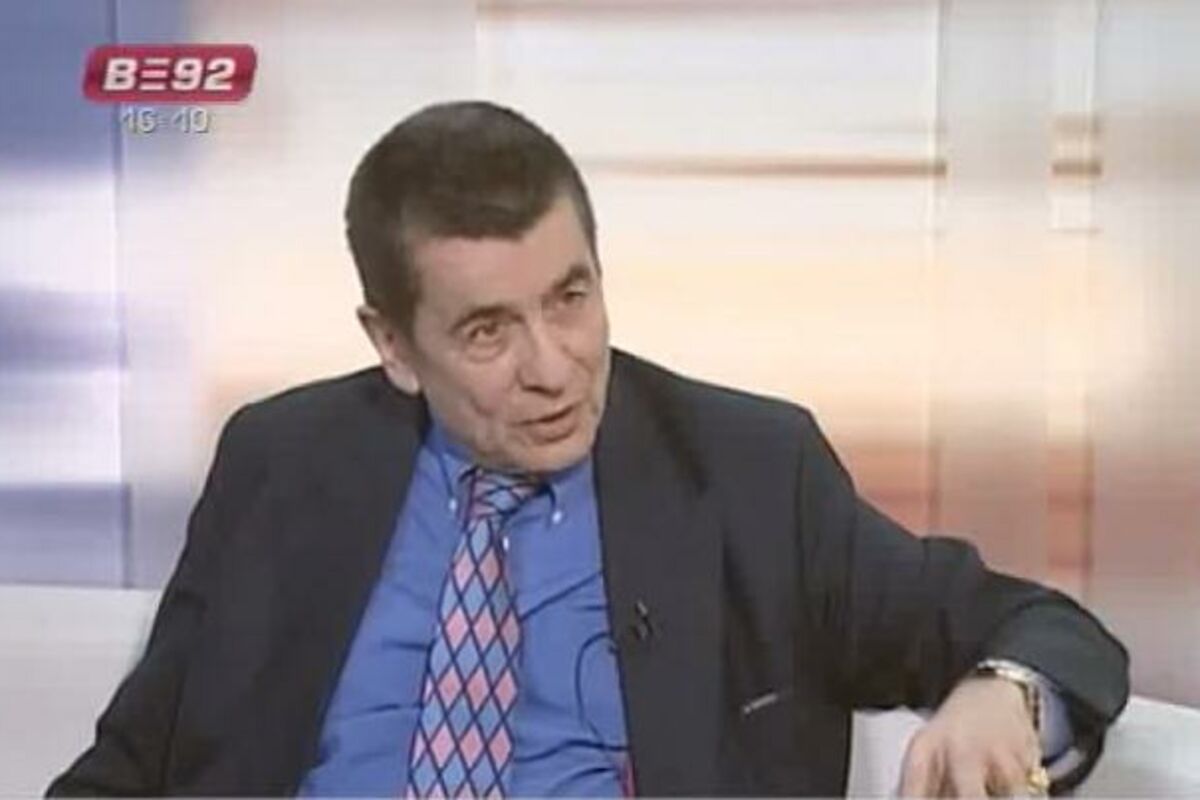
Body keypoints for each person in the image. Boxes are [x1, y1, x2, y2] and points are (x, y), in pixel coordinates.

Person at [48, 101, 1128, 798]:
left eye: (571, 298)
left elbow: (1047, 630)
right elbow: (134, 764)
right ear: (395, 346)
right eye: (488, 331)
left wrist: (1003, 691)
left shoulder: (750, 471)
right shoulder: (284, 462)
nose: (554, 367)